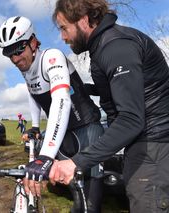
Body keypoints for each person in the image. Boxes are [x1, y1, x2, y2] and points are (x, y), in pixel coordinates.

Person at [50, 0, 169, 212]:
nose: (63, 37)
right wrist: (86, 89)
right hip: (146, 145)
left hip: (153, 147)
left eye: (64, 28)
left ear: (84, 20)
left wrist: (76, 162)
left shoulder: (116, 48)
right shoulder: (103, 45)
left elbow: (131, 119)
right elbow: (125, 89)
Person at [0, 16, 104, 212]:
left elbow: (61, 99)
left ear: (33, 42)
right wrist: (36, 126)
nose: (15, 59)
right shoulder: (26, 67)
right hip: (66, 133)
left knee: (90, 201)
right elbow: (33, 92)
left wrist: (46, 155)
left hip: (87, 128)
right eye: (9, 54)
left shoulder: (51, 57)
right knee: (71, 189)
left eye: (18, 50)